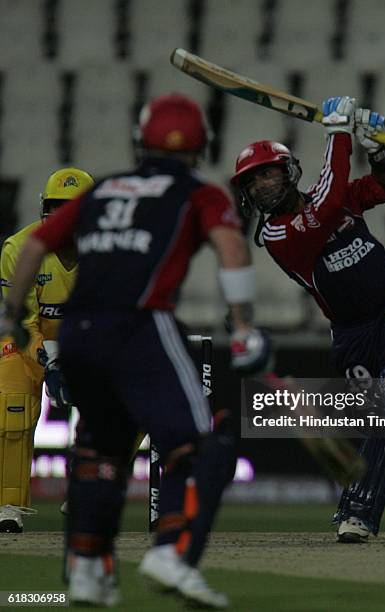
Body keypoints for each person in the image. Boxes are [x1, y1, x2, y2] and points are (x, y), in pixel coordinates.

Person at [0, 92, 268, 608]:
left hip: (78, 335)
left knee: (100, 452)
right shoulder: (198, 192)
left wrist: (12, 317)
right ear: (202, 144)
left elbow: (33, 246)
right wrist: (242, 327)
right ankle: (172, 553)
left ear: (139, 141)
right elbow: (233, 250)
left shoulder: (101, 192)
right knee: (202, 443)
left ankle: (84, 570)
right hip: (141, 325)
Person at [230, 96, 385, 544]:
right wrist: (339, 133)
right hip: (352, 336)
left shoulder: (334, 194)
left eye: (268, 173)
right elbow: (324, 208)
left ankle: (358, 512)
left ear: (288, 172)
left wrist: (380, 150)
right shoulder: (276, 235)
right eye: (252, 182)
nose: (261, 186)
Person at [0, 167, 94, 533]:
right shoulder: (19, 249)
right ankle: (8, 505)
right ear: (44, 210)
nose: (63, 217)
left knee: (122, 399)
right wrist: (52, 362)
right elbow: (22, 320)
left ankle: (88, 494)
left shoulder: (106, 252)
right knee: (12, 401)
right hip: (26, 343)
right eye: (56, 208)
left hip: (84, 342)